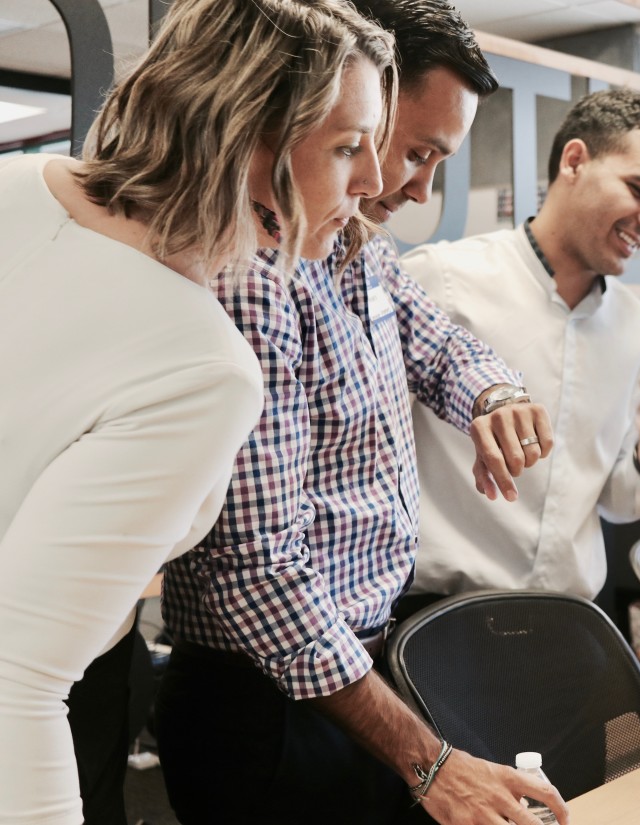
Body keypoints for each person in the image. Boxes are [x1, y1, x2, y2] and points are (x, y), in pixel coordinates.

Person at [155, 2, 568, 824]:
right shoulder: (253, 276)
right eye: (408, 151)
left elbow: (445, 347)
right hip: (269, 702)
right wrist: (430, 762)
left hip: (354, 673)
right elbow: (261, 571)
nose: (405, 188)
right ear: (355, 105)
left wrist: (496, 395)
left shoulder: (358, 253)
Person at [0, 1, 397, 823]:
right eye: (350, 148)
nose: (376, 182)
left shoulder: (8, 187)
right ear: (248, 131)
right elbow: (14, 677)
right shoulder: (201, 366)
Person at [397, 89, 640, 607]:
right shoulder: (440, 280)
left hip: (566, 623)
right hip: (434, 615)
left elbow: (621, 502)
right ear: (574, 160)